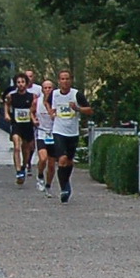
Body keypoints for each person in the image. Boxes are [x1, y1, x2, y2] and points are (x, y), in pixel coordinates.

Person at [48, 68, 93, 204]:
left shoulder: (76, 94)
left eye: (67, 79)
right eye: (62, 79)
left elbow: (90, 110)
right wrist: (51, 112)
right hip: (58, 130)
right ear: (59, 81)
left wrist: (77, 109)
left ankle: (66, 181)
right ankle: (64, 188)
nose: (65, 81)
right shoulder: (54, 94)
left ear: (71, 80)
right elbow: (47, 102)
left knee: (69, 161)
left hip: (72, 132)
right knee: (61, 160)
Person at [4, 71, 38, 184]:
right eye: (18, 82)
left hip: (27, 125)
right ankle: (18, 170)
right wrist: (7, 114)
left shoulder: (32, 96)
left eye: (23, 82)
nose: (20, 84)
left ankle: (24, 165)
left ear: (26, 83)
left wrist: (34, 119)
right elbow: (7, 104)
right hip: (16, 124)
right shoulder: (11, 96)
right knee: (17, 147)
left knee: (26, 149)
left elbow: (34, 109)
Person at [34, 76, 58, 194]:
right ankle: (39, 176)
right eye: (45, 88)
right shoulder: (37, 101)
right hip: (42, 132)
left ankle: (48, 185)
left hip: (54, 133)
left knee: (52, 165)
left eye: (50, 88)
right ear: (42, 89)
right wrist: (34, 120)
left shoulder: (57, 101)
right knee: (43, 158)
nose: (47, 90)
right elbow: (31, 112)